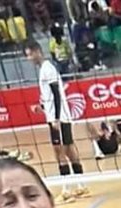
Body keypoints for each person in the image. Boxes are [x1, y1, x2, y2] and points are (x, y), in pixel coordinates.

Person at [23, 39, 84, 178]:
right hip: (55, 116)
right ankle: (74, 182)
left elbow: (56, 93)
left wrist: (56, 118)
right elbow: (51, 96)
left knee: (63, 149)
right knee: (63, 150)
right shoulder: (43, 69)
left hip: (59, 117)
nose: (29, 59)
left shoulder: (48, 68)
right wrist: (42, 107)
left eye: (30, 55)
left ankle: (75, 181)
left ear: (38, 52)